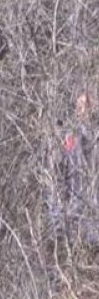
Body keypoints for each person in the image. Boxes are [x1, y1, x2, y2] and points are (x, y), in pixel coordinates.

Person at [48, 92, 99, 247]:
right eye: (79, 106)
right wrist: (57, 218)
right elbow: (58, 176)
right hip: (75, 224)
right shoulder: (70, 139)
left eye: (87, 105)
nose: (82, 110)